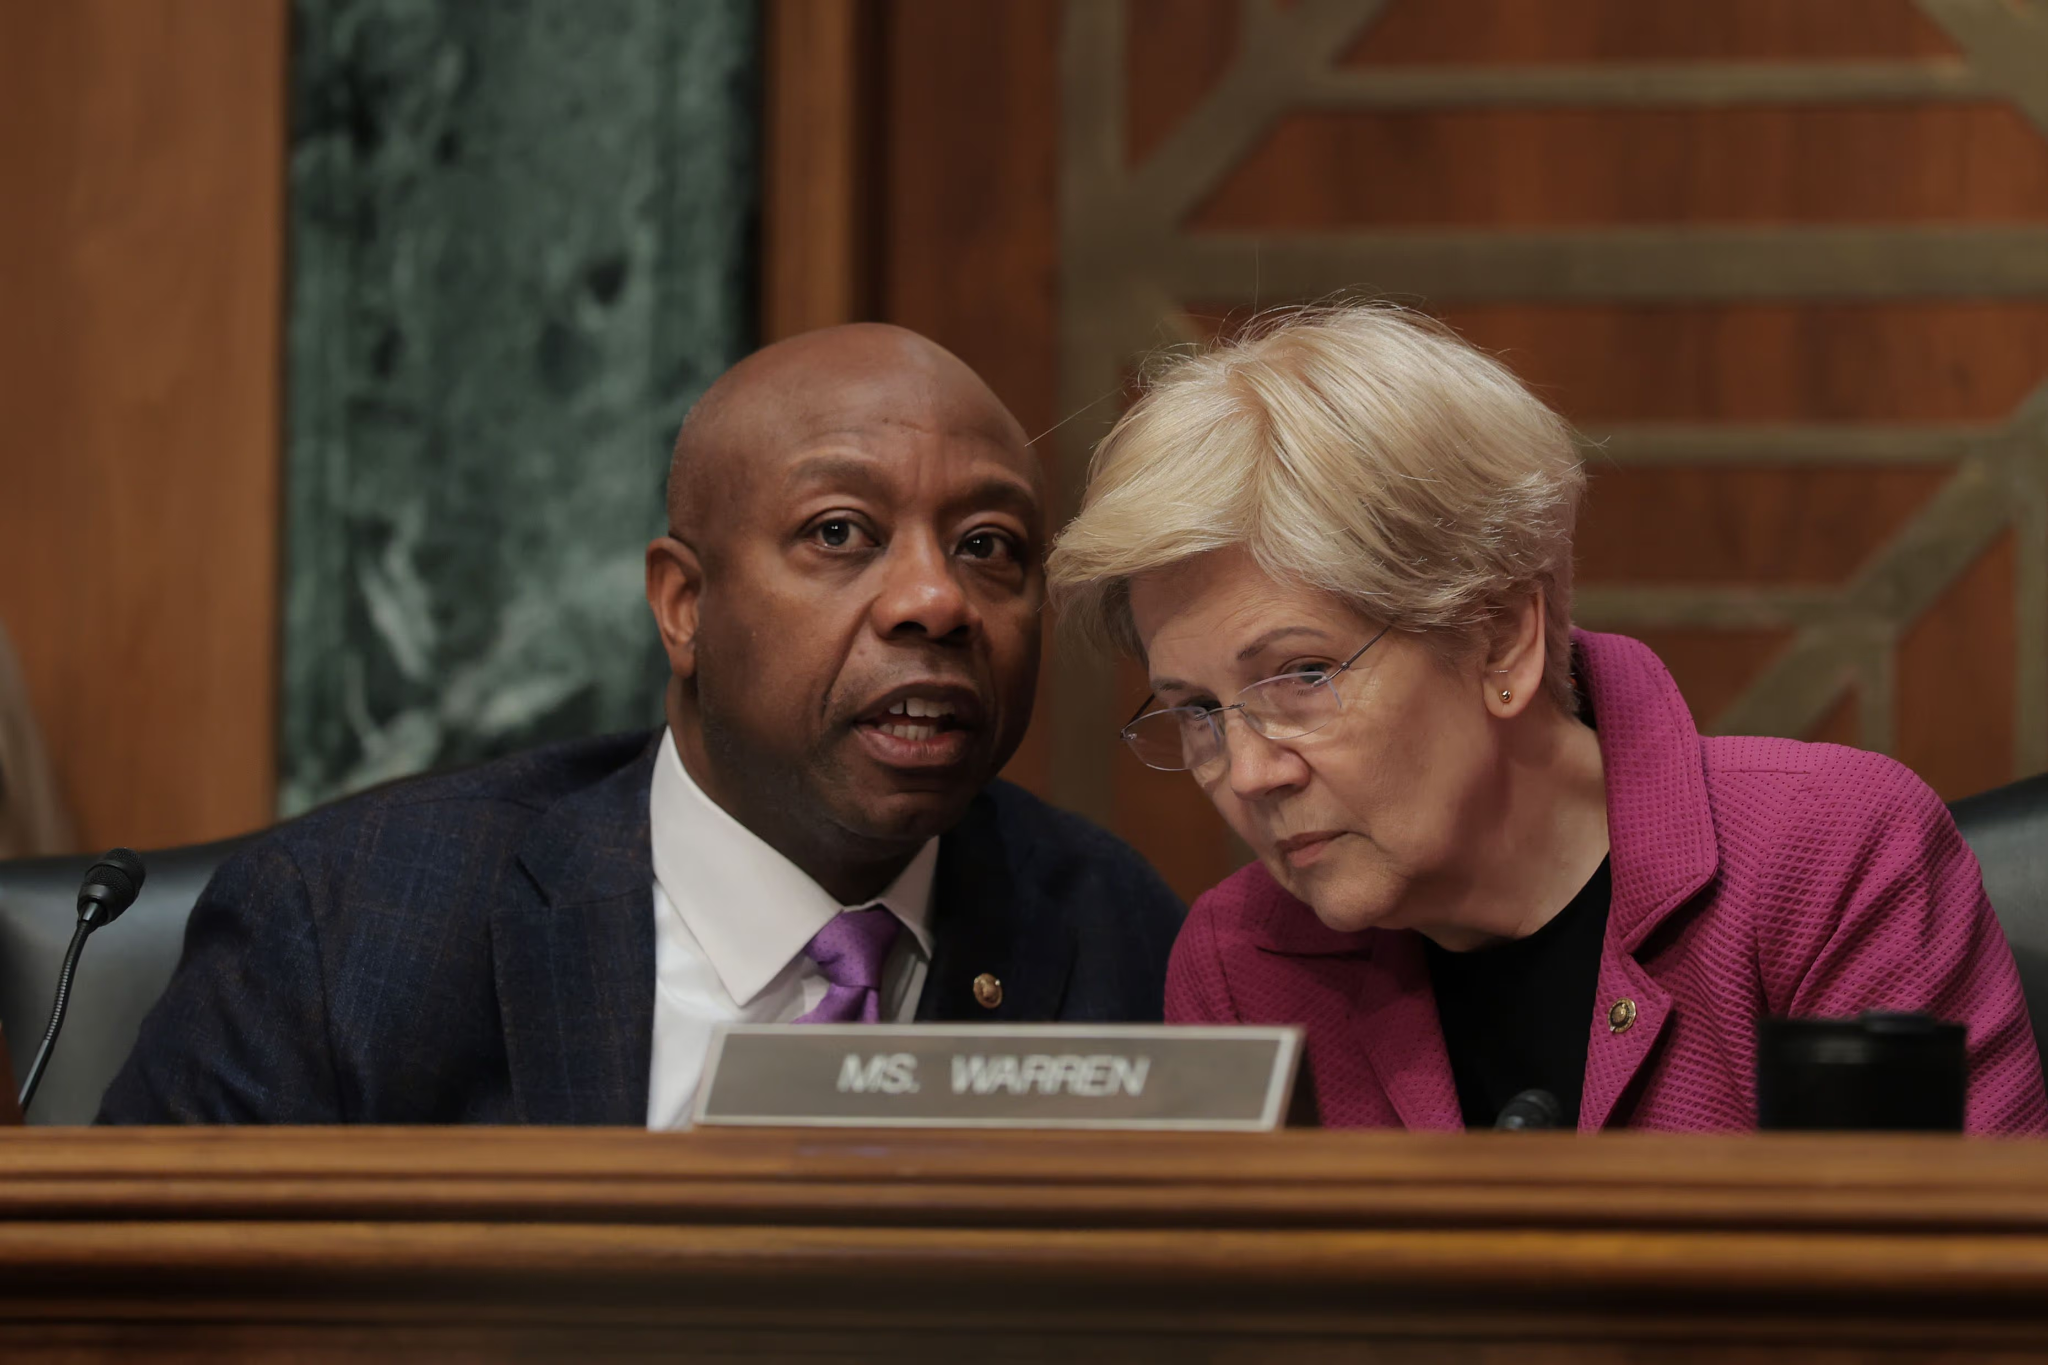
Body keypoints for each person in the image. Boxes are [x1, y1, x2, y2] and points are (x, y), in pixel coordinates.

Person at [101, 324, 1183, 1125]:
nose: (935, 601)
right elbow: (142, 1319)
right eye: (840, 532)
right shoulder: (345, 930)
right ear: (684, 607)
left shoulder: (1113, 928)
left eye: (988, 546)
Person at [1047, 304, 2047, 1134]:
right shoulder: (1241, 960)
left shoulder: (1825, 853)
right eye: (1198, 712)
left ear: (1499, 640)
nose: (1249, 773)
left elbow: (1954, 1288)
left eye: (1301, 675)